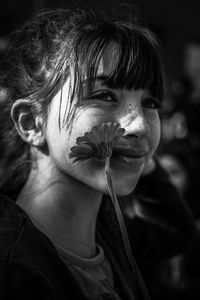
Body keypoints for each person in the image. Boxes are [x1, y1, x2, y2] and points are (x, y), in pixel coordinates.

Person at [0, 8, 195, 300]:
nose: (140, 125)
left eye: (150, 102)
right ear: (31, 123)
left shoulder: (111, 234)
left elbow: (178, 230)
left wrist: (139, 155)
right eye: (105, 96)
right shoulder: (13, 271)